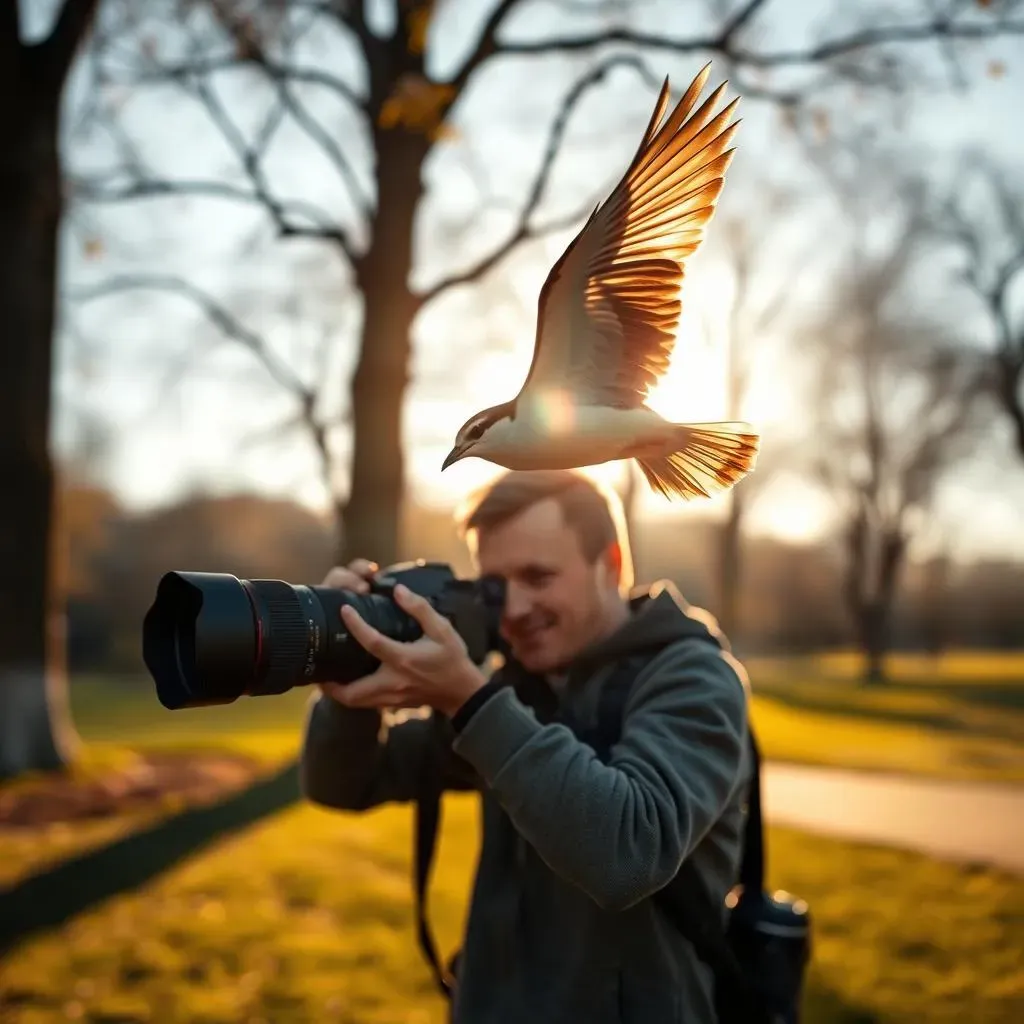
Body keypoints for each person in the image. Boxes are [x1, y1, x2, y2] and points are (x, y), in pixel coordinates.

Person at [300, 469, 753, 1023]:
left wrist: (469, 700)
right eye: (494, 586)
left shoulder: (693, 676)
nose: (512, 610)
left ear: (609, 566)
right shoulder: (514, 687)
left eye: (538, 577)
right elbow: (343, 783)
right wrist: (352, 668)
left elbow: (629, 852)